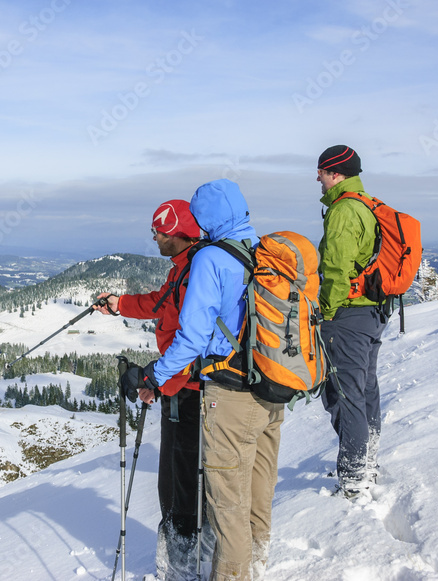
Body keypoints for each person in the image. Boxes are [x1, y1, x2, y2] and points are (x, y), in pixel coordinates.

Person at [121, 179, 284, 581]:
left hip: (229, 391)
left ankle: (230, 574)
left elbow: (192, 336)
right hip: (271, 383)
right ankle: (257, 561)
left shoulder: (211, 258)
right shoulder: (262, 249)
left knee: (225, 501)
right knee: (257, 486)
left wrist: (154, 375)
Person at [97, 199, 210, 581]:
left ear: (178, 233)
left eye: (159, 232)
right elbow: (160, 305)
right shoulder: (185, 268)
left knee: (182, 485)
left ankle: (184, 567)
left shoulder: (197, 272)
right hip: (182, 388)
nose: (155, 238)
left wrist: (155, 380)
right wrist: (119, 305)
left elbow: (192, 343)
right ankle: (187, 561)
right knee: (179, 482)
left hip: (193, 393)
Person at [315, 145, 386, 500]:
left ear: (337, 174)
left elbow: (336, 270)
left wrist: (325, 312)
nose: (319, 178)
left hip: (348, 314)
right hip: (372, 311)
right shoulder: (366, 203)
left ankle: (355, 476)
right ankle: (366, 462)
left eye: (323, 172)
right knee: (365, 389)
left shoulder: (344, 211)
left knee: (345, 395)